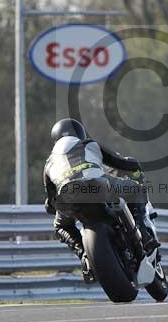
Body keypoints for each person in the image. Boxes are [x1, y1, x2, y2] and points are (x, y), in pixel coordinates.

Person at [42, 118, 158, 283]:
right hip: (98, 186)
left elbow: (51, 200)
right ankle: (144, 235)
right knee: (135, 189)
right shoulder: (89, 144)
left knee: (60, 225)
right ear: (80, 134)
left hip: (67, 196)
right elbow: (122, 162)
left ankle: (84, 255)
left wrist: (53, 208)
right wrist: (135, 168)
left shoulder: (49, 163)